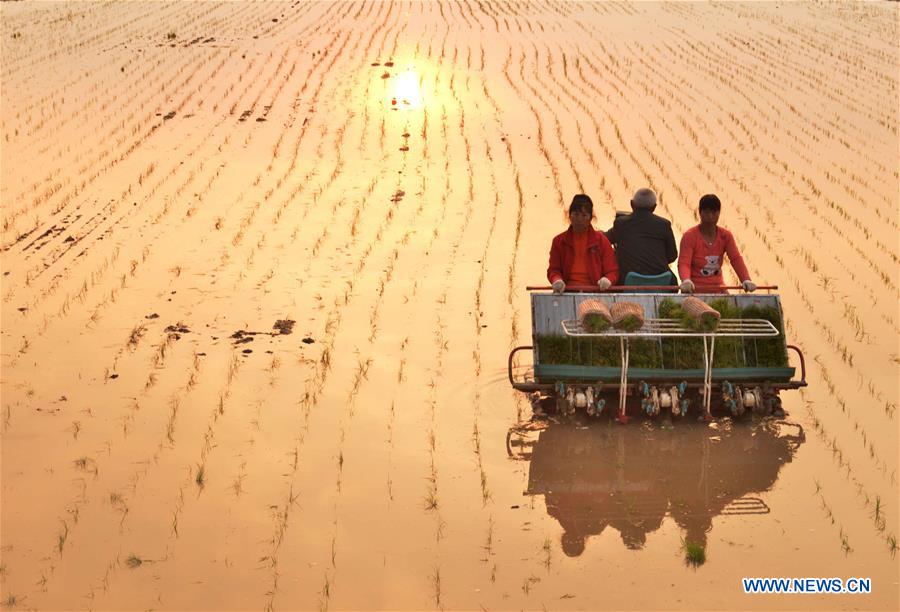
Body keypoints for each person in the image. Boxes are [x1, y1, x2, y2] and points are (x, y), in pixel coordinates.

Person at [678, 194, 757, 293]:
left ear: (719, 213)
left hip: (718, 287)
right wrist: (686, 280)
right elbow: (684, 262)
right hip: (694, 288)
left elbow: (735, 258)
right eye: (706, 212)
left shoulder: (725, 236)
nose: (710, 216)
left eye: (714, 212)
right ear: (700, 213)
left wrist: (745, 279)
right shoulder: (690, 236)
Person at [605, 188, 677, 285]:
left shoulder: (621, 223)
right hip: (661, 281)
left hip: (629, 281)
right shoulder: (664, 225)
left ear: (632, 204)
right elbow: (672, 256)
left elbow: (605, 241)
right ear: (654, 207)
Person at [548, 194, 618, 293]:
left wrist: (607, 280)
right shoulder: (559, 241)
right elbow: (553, 270)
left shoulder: (602, 241)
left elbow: (612, 271)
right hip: (566, 291)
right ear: (569, 215)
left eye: (584, 215)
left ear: (590, 218)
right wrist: (557, 280)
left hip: (594, 291)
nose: (579, 219)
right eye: (576, 214)